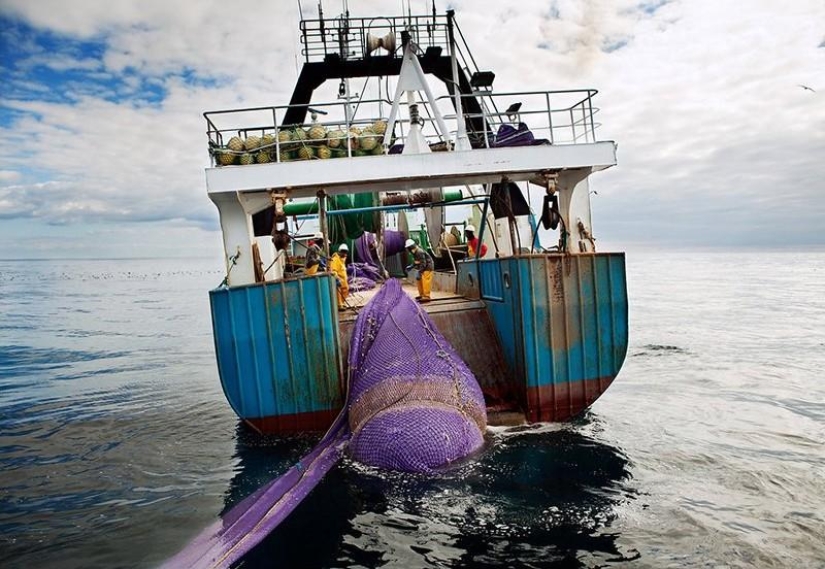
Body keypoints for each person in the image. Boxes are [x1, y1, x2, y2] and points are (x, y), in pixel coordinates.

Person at [405, 238, 434, 303]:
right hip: (422, 268)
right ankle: (422, 295)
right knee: (419, 281)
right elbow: (417, 262)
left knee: (425, 281)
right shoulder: (415, 253)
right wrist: (412, 266)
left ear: (411, 247)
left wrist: (419, 271)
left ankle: (426, 296)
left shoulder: (419, 252)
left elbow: (424, 263)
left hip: (427, 268)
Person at [329, 243, 349, 310]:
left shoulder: (342, 259)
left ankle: (342, 303)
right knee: (338, 293)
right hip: (339, 280)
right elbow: (333, 270)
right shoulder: (335, 259)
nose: (345, 255)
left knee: (345, 290)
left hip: (344, 280)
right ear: (341, 251)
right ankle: (339, 305)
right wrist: (337, 279)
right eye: (344, 253)